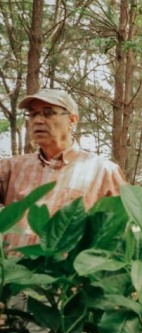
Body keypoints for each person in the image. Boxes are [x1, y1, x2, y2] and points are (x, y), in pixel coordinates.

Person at [0, 88, 126, 250]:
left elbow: (117, 231)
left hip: (65, 273)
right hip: (14, 272)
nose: (37, 120)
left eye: (48, 113)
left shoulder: (103, 172)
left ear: (72, 120)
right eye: (32, 114)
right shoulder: (11, 168)